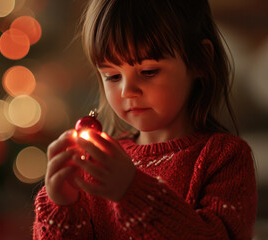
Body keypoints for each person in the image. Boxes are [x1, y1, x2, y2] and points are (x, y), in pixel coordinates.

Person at [33, 0, 258, 239]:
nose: (127, 91)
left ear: (200, 60)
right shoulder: (95, 165)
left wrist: (133, 192)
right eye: (112, 76)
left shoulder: (224, 157)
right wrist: (62, 205)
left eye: (148, 72)